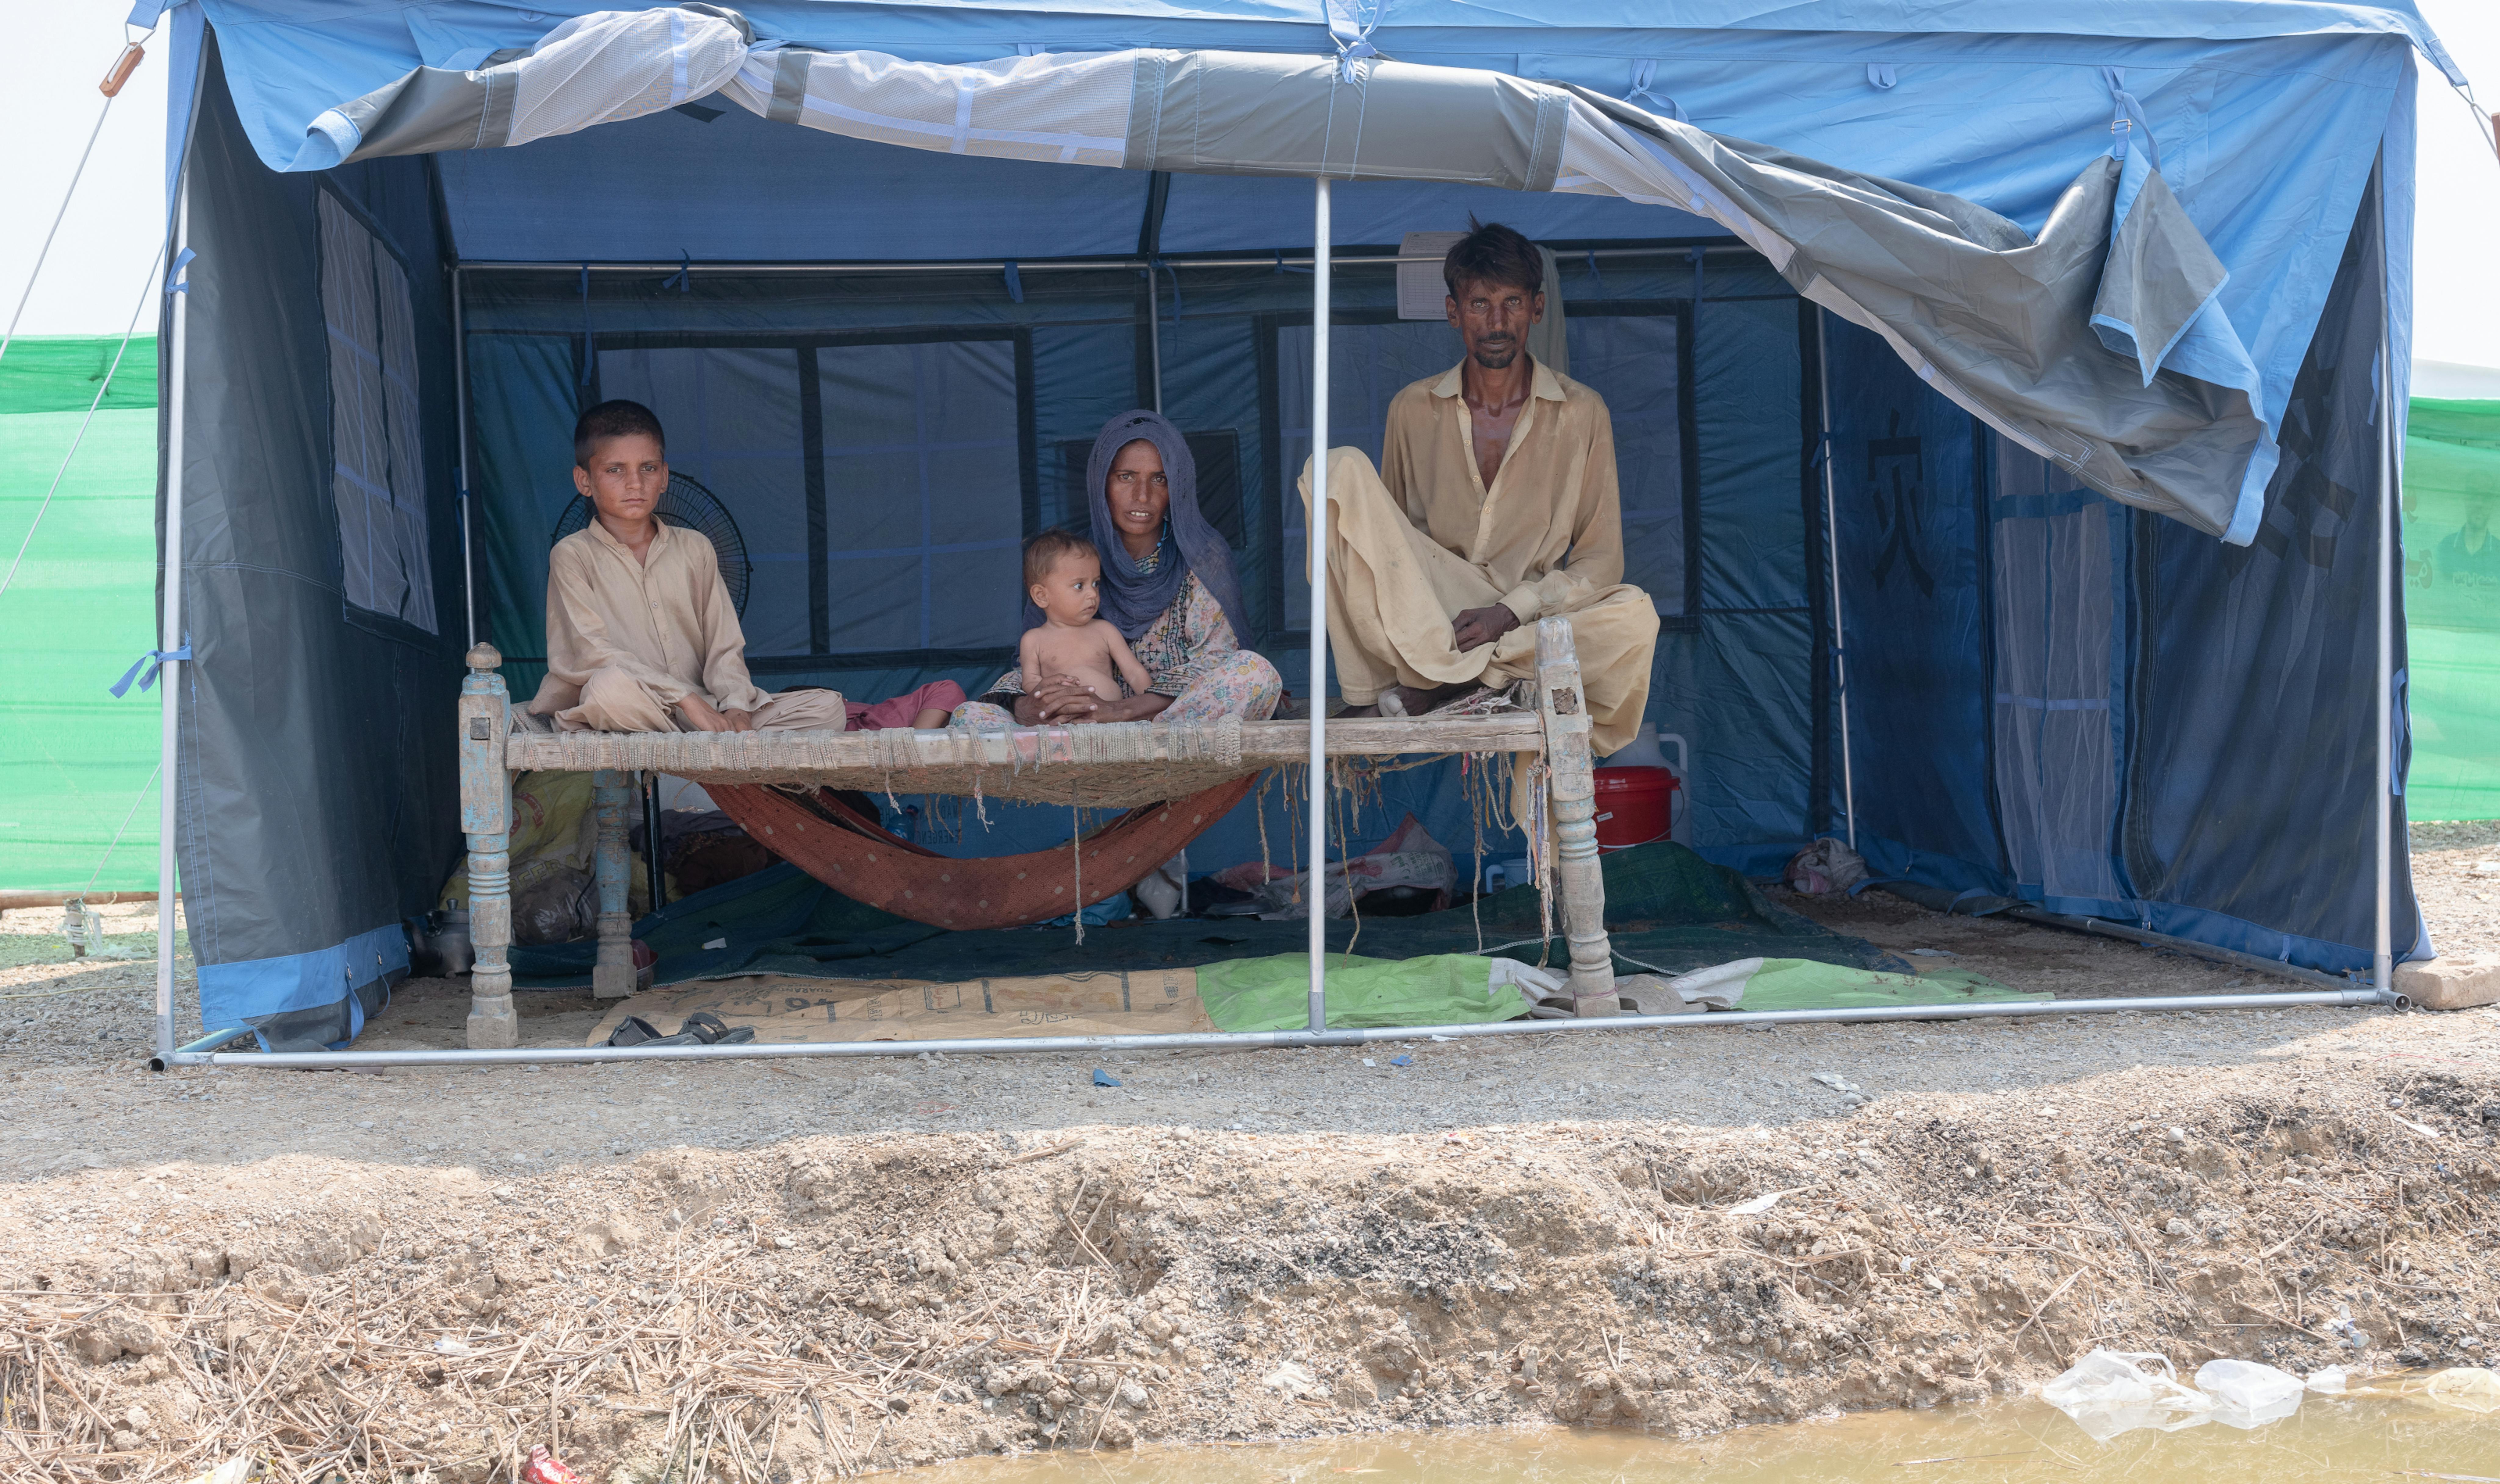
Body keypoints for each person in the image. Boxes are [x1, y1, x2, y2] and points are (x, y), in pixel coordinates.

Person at [1296, 218, 1659, 754]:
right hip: (1438, 613)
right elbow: (1388, 549)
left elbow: (1601, 560)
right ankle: (1383, 687)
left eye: (1512, 303)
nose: (1497, 322)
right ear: (1453, 312)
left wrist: (1513, 608)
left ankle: (1447, 685)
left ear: (1536, 309)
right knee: (1333, 472)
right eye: (1480, 304)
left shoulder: (1582, 412)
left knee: (1634, 616)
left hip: (1525, 615)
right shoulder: (1411, 409)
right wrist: (1429, 615)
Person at [531, 400, 892, 733]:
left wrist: (735, 706)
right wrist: (682, 699)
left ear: (665, 476)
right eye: (615, 470)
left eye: (648, 468)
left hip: (704, 709)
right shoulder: (573, 554)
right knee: (606, 689)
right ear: (584, 481)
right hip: (635, 705)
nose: (635, 483)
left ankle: (707, 738)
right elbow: (592, 654)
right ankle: (707, 744)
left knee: (826, 707)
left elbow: (724, 645)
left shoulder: (695, 548)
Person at [956, 409, 1281, 727]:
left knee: (1254, 673)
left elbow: (1216, 660)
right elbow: (1031, 664)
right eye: (1125, 477)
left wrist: (1121, 711)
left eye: (1160, 479)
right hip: (1078, 723)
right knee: (970, 717)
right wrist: (1030, 707)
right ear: (1101, 483)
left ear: (1177, 489)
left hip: (1165, 725)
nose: (1142, 496)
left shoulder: (1200, 558)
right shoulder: (1072, 559)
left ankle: (1135, 747)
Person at [1018, 530, 1153, 703]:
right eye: (1079, 586)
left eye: (1096, 584)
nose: (1093, 594)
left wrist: (1152, 710)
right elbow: (1030, 683)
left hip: (1114, 722)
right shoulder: (1033, 640)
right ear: (1042, 596)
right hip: (1064, 723)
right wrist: (1051, 687)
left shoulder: (1105, 631)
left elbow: (1134, 673)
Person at [2435, 497, 2500, 589]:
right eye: (2474, 496)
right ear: (2466, 502)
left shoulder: (2498, 552)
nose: (2479, 505)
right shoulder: (2445, 547)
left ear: (2492, 506)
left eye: (2486, 498)